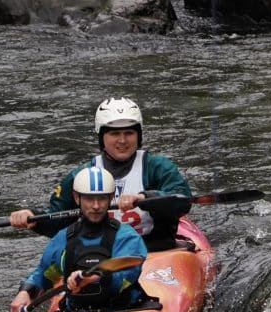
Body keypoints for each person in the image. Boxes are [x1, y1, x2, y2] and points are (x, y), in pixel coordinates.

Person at [10, 97, 191, 251]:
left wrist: (145, 197)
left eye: (129, 133)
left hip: (155, 249)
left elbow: (182, 201)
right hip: (105, 255)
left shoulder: (157, 167)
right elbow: (58, 220)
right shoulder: (82, 175)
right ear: (102, 137)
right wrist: (34, 218)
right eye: (114, 133)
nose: (122, 140)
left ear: (138, 136)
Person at [9, 166, 148, 312]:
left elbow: (127, 275)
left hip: (124, 311)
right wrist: (26, 292)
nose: (96, 206)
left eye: (101, 198)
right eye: (89, 199)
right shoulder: (63, 238)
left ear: (111, 197)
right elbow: (44, 275)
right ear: (77, 198)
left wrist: (95, 278)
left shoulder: (127, 237)